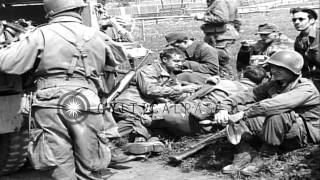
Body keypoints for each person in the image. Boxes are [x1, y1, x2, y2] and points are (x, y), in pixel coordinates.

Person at [0, 0, 130, 179]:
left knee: (56, 164)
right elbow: (119, 58)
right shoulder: (96, 34)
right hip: (86, 100)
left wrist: (18, 42)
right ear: (78, 9)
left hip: (50, 102)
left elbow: (7, 63)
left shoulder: (41, 34)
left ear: (50, 12)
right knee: (91, 162)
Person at [215, 50, 320, 175]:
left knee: (278, 112)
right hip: (280, 130)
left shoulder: (306, 88)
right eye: (273, 67)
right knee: (236, 108)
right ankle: (245, 152)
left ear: (293, 70)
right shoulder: (274, 84)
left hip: (303, 135)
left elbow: (275, 104)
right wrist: (224, 107)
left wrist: (244, 113)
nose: (274, 70)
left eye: (280, 68)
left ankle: (266, 155)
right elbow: (248, 94)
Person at [113, 47, 201, 154]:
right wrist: (180, 89)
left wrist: (196, 94)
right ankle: (100, 139)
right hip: (131, 103)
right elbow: (149, 90)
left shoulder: (171, 75)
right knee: (133, 120)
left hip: (146, 106)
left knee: (155, 121)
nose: (179, 64)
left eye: (181, 61)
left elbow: (175, 96)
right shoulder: (149, 70)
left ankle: (142, 143)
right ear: (164, 60)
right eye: (176, 61)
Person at [147, 65, 267, 136]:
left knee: (149, 116)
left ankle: (148, 132)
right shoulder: (257, 95)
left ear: (242, 76)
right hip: (210, 126)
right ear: (260, 82)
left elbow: (197, 94)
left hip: (193, 111)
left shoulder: (225, 82)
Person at [192, 0, 241, 78]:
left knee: (221, 61)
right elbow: (237, 20)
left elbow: (222, 18)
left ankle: (228, 81)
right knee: (228, 62)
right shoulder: (230, 2)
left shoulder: (219, 2)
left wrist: (203, 17)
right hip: (226, 36)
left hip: (220, 37)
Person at [290, 7, 320, 90]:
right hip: (311, 79)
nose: (297, 22)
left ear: (311, 20)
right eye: (294, 20)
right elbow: (302, 64)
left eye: (301, 19)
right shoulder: (299, 40)